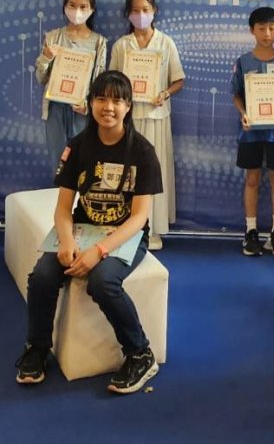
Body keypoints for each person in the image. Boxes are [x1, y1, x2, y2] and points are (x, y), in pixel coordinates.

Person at [15, 71, 163, 394]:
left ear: (128, 106)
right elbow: (63, 208)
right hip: (82, 228)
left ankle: (140, 353)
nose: (108, 107)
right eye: (101, 98)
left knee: (102, 281)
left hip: (125, 234)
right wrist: (67, 241)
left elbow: (139, 218)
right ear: (91, 102)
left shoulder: (142, 151)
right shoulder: (78, 146)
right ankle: (37, 347)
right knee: (42, 276)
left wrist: (99, 251)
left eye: (117, 100)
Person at [108, 0, 184, 250]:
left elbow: (179, 80)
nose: (140, 15)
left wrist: (165, 93)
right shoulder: (121, 45)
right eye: (135, 11)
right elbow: (112, 80)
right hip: (127, 120)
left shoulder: (166, 43)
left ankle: (152, 229)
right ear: (127, 14)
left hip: (157, 117)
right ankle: (125, 228)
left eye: (145, 10)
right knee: (125, 172)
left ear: (154, 12)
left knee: (153, 171)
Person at [230, 6, 274, 256]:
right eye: (261, 28)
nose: (267, 33)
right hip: (251, 132)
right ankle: (251, 231)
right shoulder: (243, 62)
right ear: (252, 30)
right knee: (252, 179)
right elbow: (236, 94)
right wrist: (243, 113)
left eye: (271, 28)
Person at [35, 0, 107, 168]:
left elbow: (99, 82)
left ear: (92, 9)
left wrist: (88, 105)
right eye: (72, 5)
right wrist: (46, 57)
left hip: (81, 109)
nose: (77, 11)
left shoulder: (99, 42)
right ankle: (59, 188)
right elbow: (41, 78)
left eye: (83, 6)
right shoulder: (53, 37)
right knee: (58, 160)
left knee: (82, 159)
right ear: (65, 6)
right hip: (55, 107)